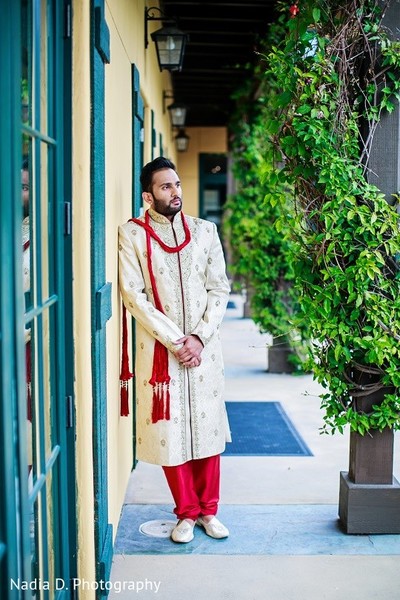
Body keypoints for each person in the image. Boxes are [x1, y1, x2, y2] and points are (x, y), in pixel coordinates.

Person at [118, 156, 231, 543]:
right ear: (148, 196)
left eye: (177, 184)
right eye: (166, 187)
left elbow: (220, 287)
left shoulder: (204, 232)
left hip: (205, 349)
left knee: (207, 428)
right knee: (173, 432)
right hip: (162, 354)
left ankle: (209, 512)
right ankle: (185, 513)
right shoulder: (132, 235)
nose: (175, 192)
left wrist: (198, 337)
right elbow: (133, 295)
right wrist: (176, 341)